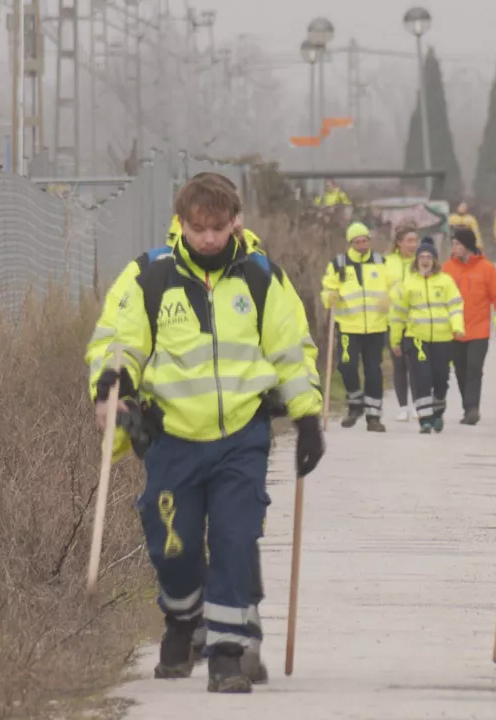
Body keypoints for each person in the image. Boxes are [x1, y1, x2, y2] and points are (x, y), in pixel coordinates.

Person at [86, 174, 325, 693]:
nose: (210, 239)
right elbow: (119, 342)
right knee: (175, 546)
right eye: (199, 229)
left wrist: (308, 417)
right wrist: (111, 386)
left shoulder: (262, 277)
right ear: (181, 224)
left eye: (219, 228)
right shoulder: (149, 276)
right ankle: (181, 620)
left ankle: (226, 653)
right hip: (171, 437)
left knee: (237, 541)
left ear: (235, 222)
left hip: (242, 435)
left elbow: (292, 350)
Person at [389, 239, 465, 433]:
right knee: (421, 378)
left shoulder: (445, 281)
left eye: (428, 257)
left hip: (442, 339)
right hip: (416, 338)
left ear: (435, 260)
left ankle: (438, 412)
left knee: (440, 378)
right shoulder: (407, 283)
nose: (425, 260)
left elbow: (455, 306)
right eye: (421, 257)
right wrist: (395, 340)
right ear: (416, 260)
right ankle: (425, 419)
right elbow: (398, 314)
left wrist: (457, 327)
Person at [321, 221, 391, 432]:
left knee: (373, 370)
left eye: (365, 240)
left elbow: (396, 286)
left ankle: (373, 416)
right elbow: (327, 287)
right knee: (347, 365)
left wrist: (390, 298)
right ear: (351, 243)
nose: (362, 244)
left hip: (376, 326)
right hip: (348, 326)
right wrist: (330, 296)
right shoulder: (338, 264)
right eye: (357, 241)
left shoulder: (381, 262)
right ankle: (355, 403)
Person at [443, 227, 496, 425]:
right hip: (455, 330)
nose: (453, 248)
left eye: (457, 244)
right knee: (460, 370)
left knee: (474, 368)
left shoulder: (486, 268)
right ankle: (467, 406)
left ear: (467, 245)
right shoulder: (447, 269)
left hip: (479, 328)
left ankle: (472, 409)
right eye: (453, 244)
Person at [385, 225, 422, 421]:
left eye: (415, 240)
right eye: (409, 240)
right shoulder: (386, 262)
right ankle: (402, 406)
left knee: (414, 363)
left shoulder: (420, 262)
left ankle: (417, 404)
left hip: (415, 320)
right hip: (392, 319)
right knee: (398, 363)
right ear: (399, 242)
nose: (413, 245)